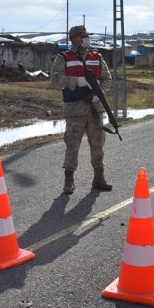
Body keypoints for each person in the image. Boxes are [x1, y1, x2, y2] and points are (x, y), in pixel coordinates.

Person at [50, 25, 113, 194]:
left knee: (98, 145)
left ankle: (99, 178)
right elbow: (55, 80)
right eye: (84, 36)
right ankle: (68, 181)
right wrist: (76, 81)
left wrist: (97, 94)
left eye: (87, 36)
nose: (87, 38)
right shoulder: (63, 57)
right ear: (75, 38)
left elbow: (107, 79)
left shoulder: (97, 56)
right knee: (72, 146)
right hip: (74, 109)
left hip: (95, 108)